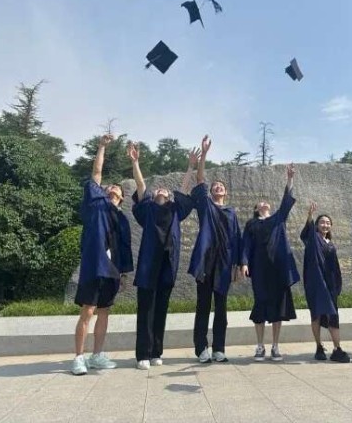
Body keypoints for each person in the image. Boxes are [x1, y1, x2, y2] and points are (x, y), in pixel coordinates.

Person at [128, 143, 199, 370]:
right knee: (145, 310)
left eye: (165, 191)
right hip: (148, 266)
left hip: (168, 265)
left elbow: (184, 189)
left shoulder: (176, 210)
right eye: (159, 189)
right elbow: (141, 185)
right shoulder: (147, 209)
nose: (161, 190)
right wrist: (135, 162)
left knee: (161, 309)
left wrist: (190, 166)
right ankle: (143, 354)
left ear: (169, 197)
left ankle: (156, 352)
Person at [71, 134, 133, 376]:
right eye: (110, 186)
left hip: (112, 271)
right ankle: (79, 357)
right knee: (88, 311)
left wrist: (124, 274)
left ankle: (97, 355)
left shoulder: (122, 219)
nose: (113, 187)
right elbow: (96, 174)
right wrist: (101, 147)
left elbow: (124, 248)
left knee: (104, 312)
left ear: (122, 198)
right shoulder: (96, 203)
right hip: (94, 267)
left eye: (117, 188)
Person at [188, 135, 244, 363]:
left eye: (221, 186)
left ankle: (219, 348)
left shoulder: (231, 213)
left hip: (224, 264)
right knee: (203, 306)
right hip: (206, 261)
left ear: (225, 192)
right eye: (215, 187)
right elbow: (200, 179)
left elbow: (238, 239)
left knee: (221, 307)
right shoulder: (206, 206)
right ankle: (201, 348)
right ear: (211, 193)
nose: (218, 187)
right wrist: (204, 155)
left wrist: (239, 265)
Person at [242, 164, 299, 362]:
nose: (264, 202)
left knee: (277, 307)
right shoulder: (251, 224)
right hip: (259, 269)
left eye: (267, 201)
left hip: (278, 270)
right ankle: (260, 346)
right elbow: (246, 245)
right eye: (260, 202)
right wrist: (244, 263)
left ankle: (275, 346)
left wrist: (290, 179)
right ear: (256, 209)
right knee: (260, 304)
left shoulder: (278, 219)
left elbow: (286, 202)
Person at [300, 201, 350, 363]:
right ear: (316, 225)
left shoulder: (331, 244)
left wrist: (337, 285)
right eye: (322, 222)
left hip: (330, 285)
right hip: (315, 284)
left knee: (333, 316)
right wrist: (310, 215)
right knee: (316, 315)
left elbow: (335, 266)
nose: (325, 225)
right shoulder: (313, 239)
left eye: (328, 223)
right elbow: (306, 232)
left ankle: (337, 348)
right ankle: (319, 347)